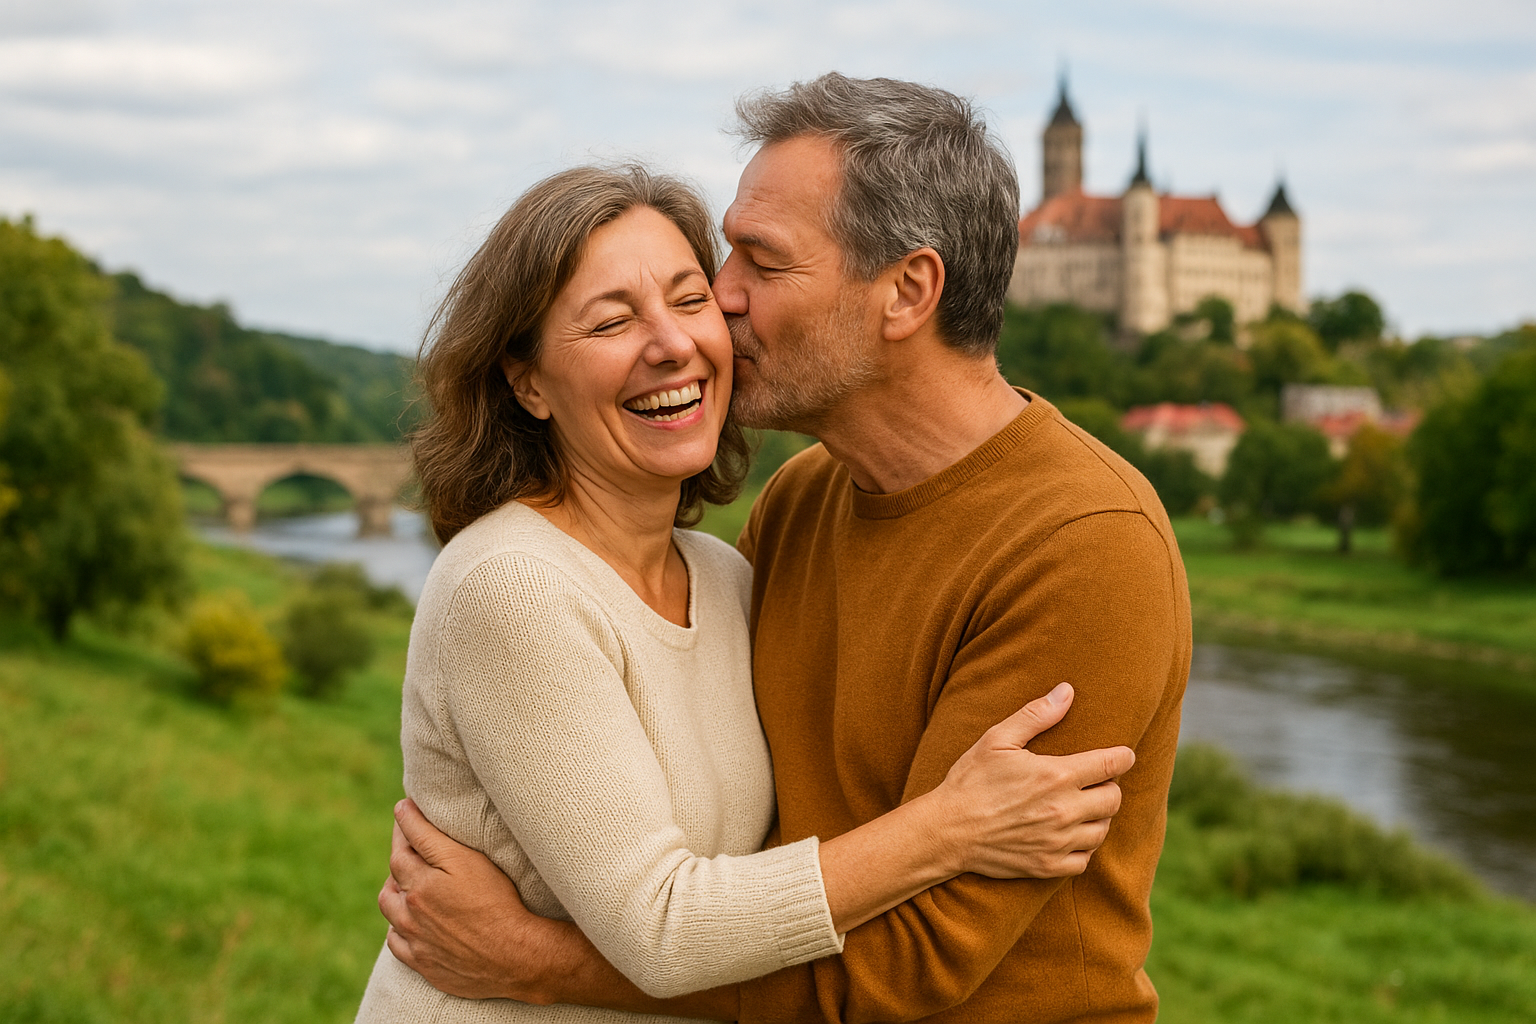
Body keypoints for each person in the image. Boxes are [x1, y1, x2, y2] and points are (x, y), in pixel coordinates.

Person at [354, 162, 1137, 1022]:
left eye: (692, 300)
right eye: (612, 320)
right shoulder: (513, 585)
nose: (673, 341)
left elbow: (765, 873)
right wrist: (949, 826)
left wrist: (539, 956)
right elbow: (664, 927)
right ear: (526, 381)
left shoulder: (727, 579)